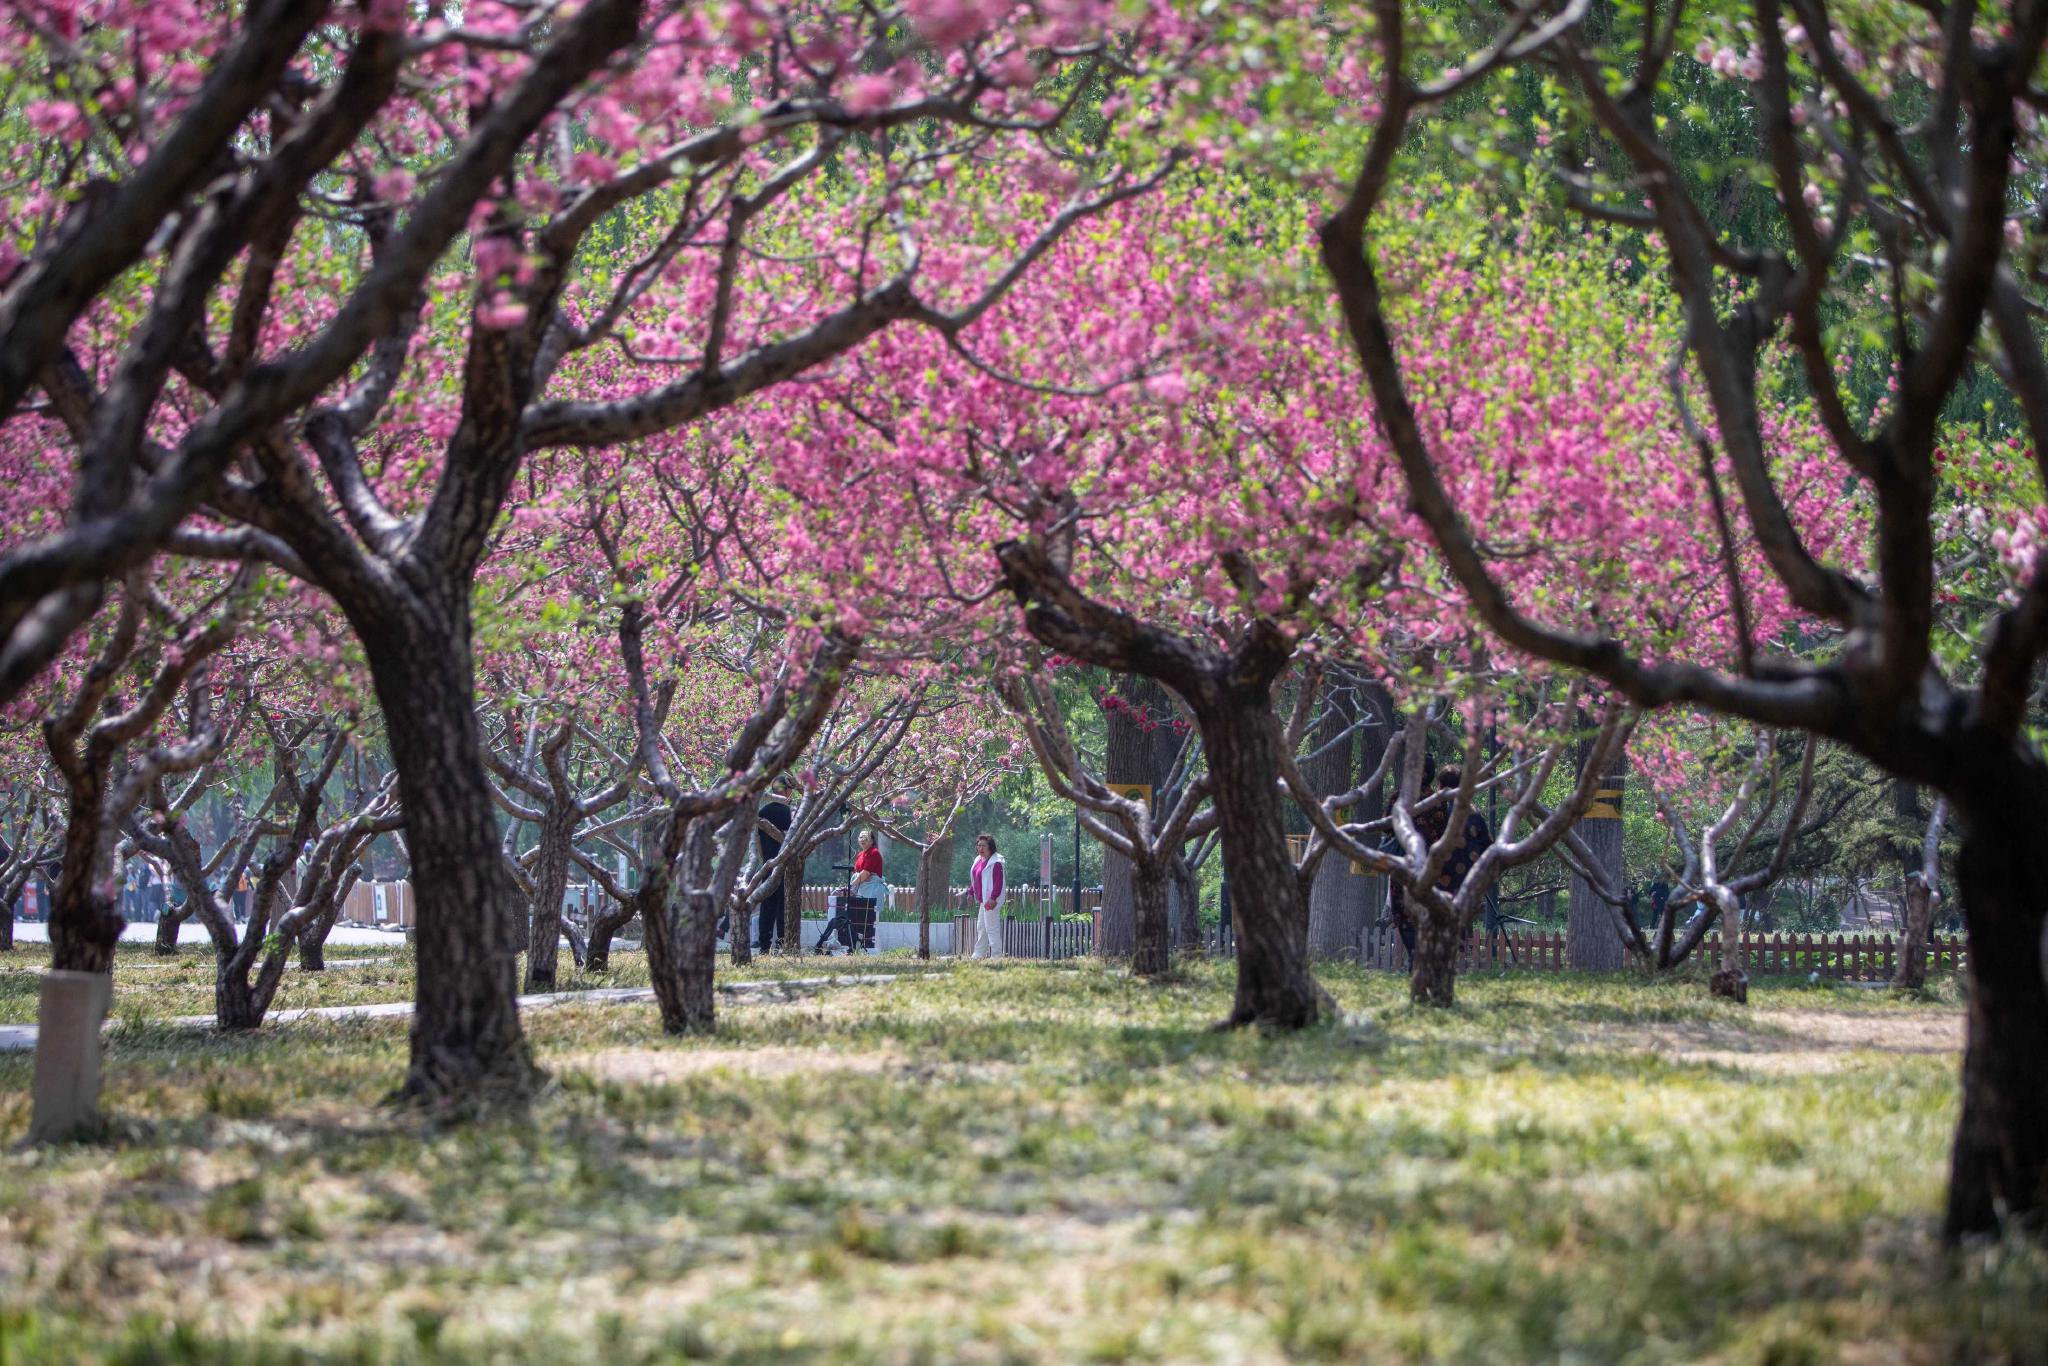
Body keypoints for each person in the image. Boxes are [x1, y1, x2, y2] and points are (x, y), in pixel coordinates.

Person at [1383, 766, 1494, 963]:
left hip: (1429, 882)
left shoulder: (1427, 804)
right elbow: (1488, 848)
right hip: (1463, 887)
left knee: (1418, 928)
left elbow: (1387, 829)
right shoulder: (1472, 813)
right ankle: (1446, 968)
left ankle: (1420, 965)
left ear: (1440, 784)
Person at [756, 794, 793, 953]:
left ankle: (764, 944)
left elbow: (757, 839)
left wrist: (763, 858)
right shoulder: (790, 813)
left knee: (767, 905)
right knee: (783, 905)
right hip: (785, 864)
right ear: (787, 791)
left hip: (768, 864)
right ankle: (782, 943)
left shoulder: (763, 811)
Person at [968, 833, 1005, 960]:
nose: (980, 848)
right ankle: (978, 954)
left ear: (990, 847)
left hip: (991, 901)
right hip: (983, 901)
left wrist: (993, 898)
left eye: (984, 846)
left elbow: (998, 883)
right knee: (981, 928)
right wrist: (971, 892)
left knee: (991, 928)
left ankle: (996, 956)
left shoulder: (996, 862)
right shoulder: (978, 860)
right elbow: (976, 879)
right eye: (978, 845)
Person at [848, 830, 885, 952]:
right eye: (860, 837)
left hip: (871, 890)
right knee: (860, 919)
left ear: (872, 841)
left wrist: (851, 885)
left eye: (866, 837)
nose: (862, 839)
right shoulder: (860, 854)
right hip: (862, 889)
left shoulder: (874, 853)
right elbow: (860, 873)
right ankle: (861, 947)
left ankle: (872, 948)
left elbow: (866, 873)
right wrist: (860, 879)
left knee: (871, 920)